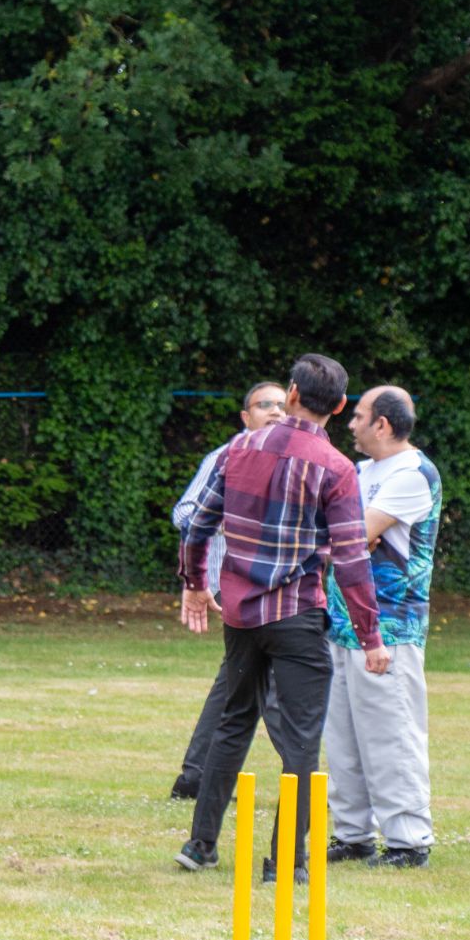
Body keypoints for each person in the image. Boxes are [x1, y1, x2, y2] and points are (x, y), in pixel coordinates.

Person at [176, 352, 390, 880]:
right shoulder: (337, 469)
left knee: (232, 724)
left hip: (242, 616)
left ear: (291, 394)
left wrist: (194, 584)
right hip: (296, 615)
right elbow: (350, 559)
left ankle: (201, 845)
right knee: (299, 742)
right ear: (339, 407)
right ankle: (285, 861)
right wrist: (371, 637)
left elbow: (198, 524)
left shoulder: (238, 447)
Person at [323, 385, 442, 868]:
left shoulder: (415, 472)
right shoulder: (360, 471)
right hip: (340, 621)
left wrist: (349, 536)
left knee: (391, 733)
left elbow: (353, 534)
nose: (350, 424)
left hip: (389, 627)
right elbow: (343, 534)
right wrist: (348, 536)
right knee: (343, 735)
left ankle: (409, 841)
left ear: (383, 425)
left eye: (359, 416)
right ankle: (352, 835)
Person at [169, 381, 289, 801]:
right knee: (274, 680)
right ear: (246, 416)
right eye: (264, 405)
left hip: (274, 586)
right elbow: (185, 512)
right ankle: (304, 776)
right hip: (238, 588)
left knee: (238, 679)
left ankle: (196, 776)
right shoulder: (226, 455)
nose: (275, 411)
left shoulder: (290, 459)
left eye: (281, 405)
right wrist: (227, 518)